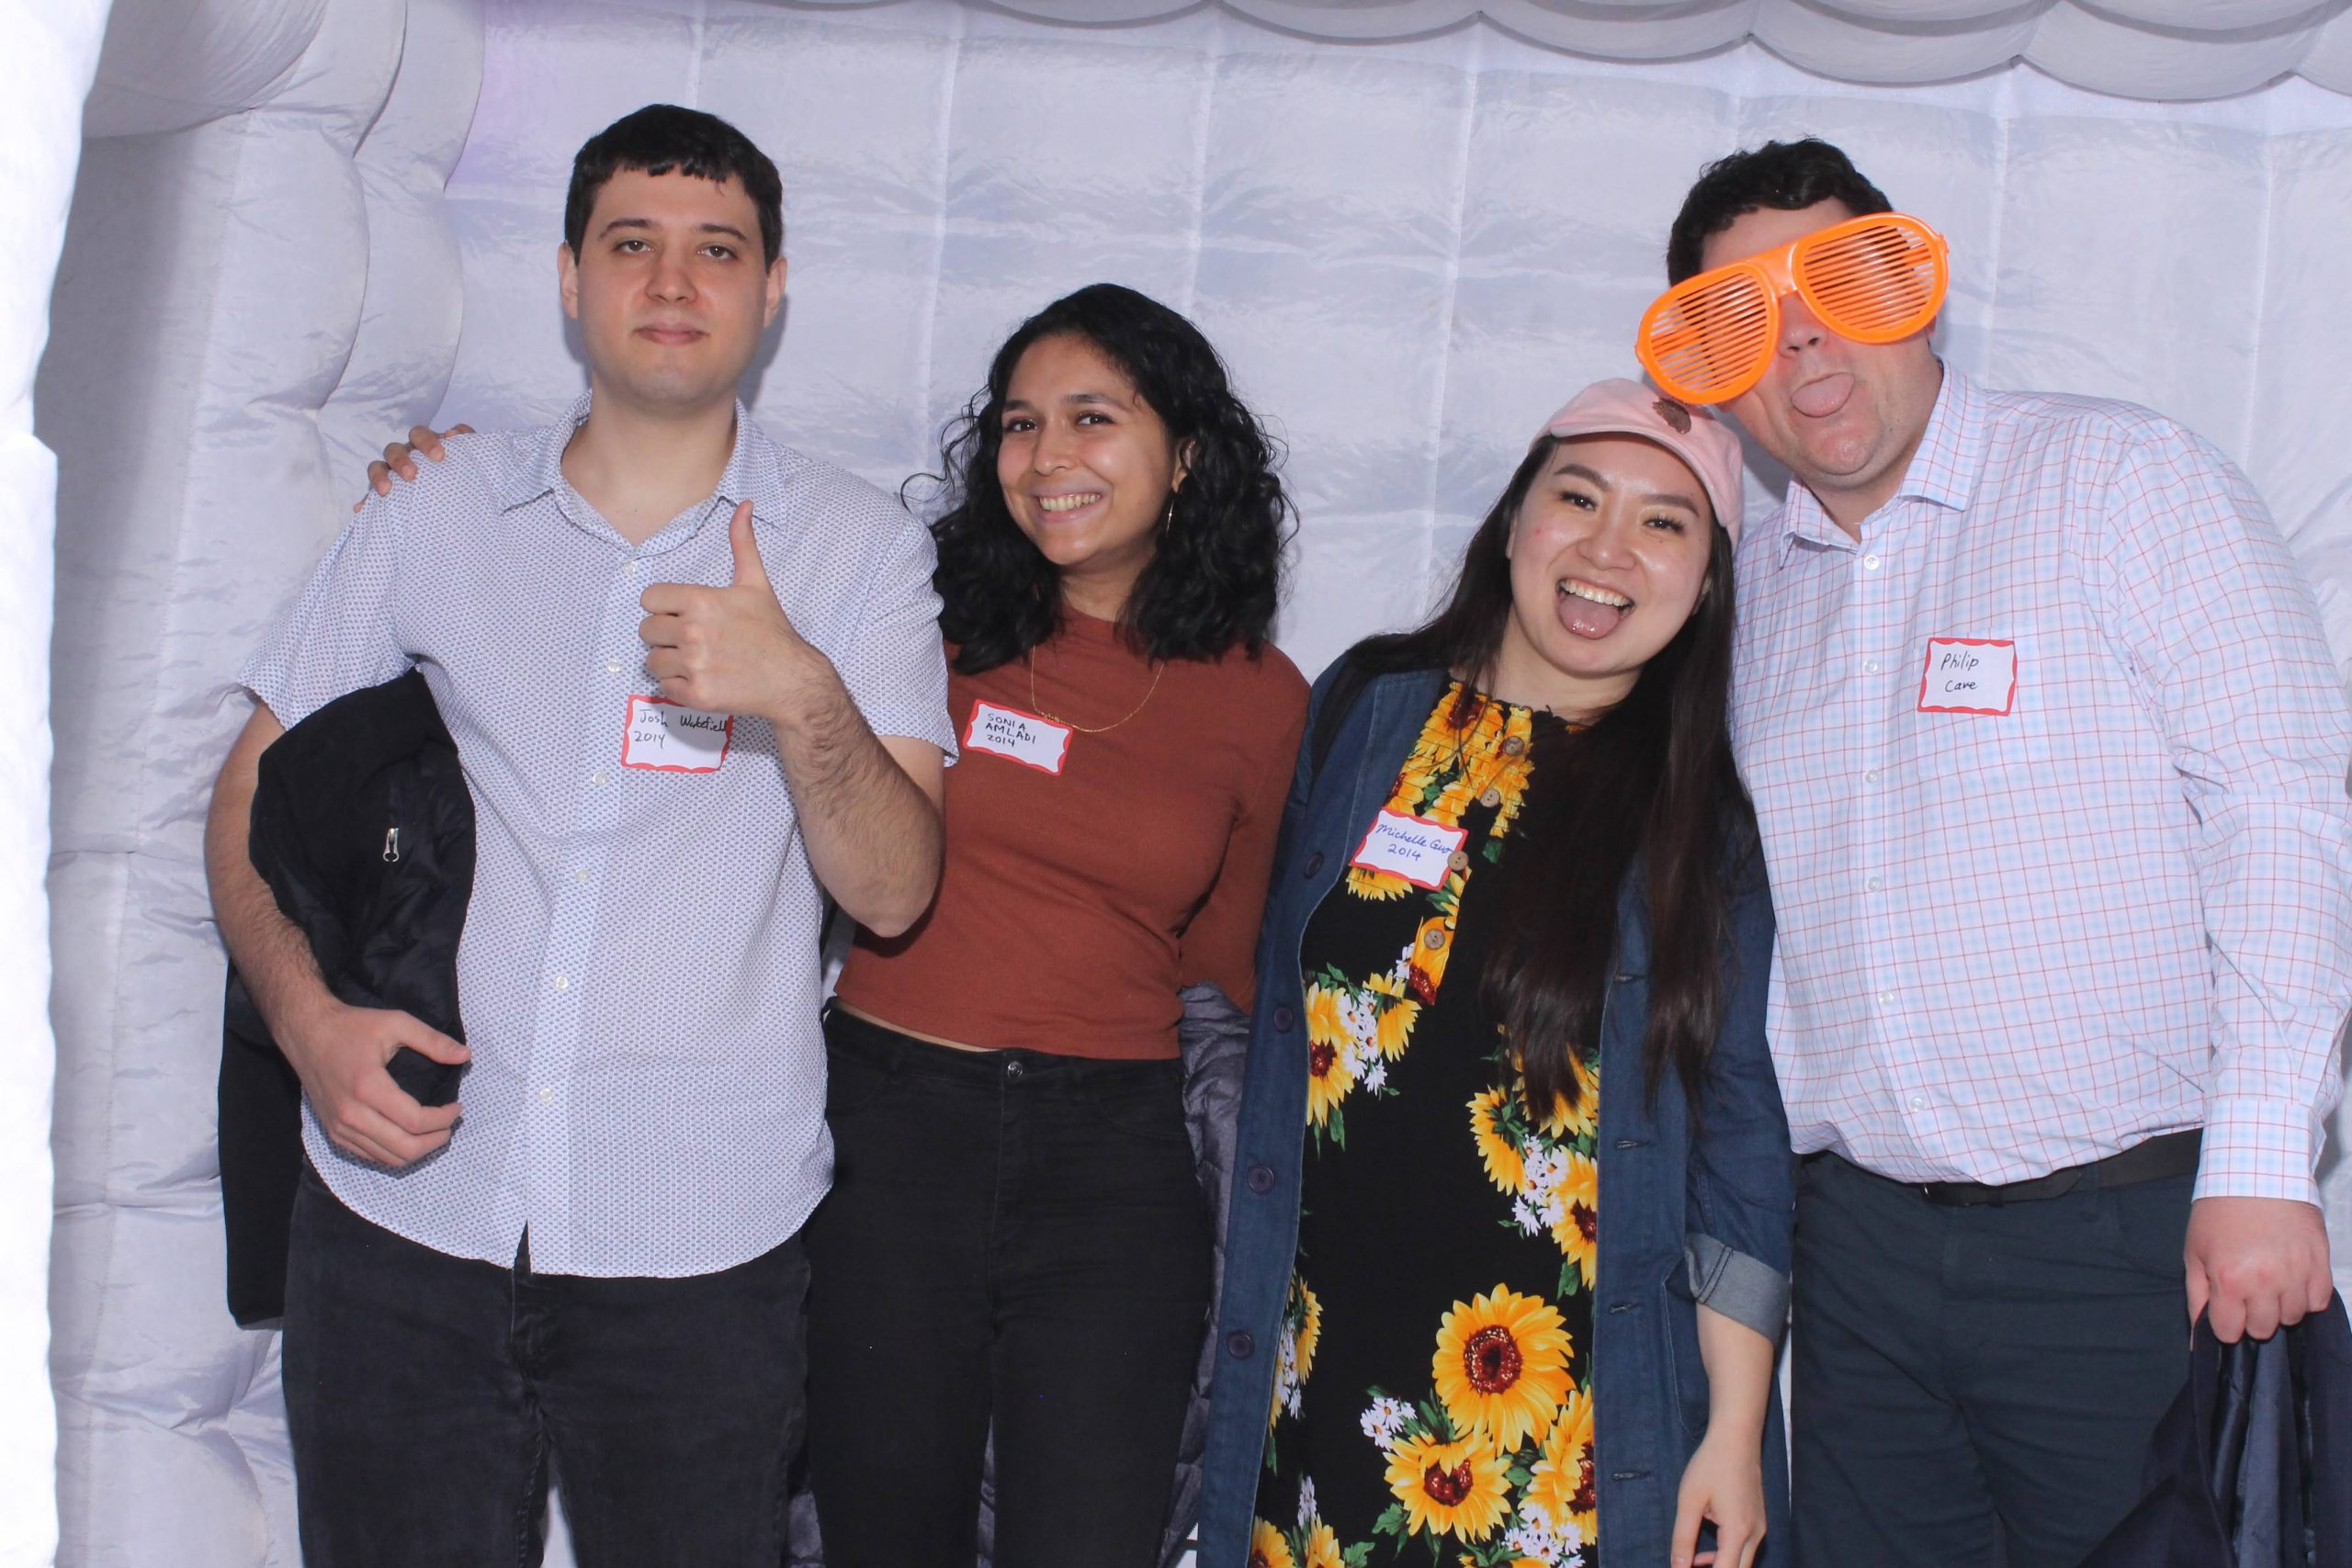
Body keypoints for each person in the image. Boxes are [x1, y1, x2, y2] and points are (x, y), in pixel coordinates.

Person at [204, 104, 956, 1567]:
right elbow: (246, 799)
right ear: (567, 278)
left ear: (772, 289)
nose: (672, 282)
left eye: (716, 250)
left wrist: (799, 690)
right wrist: (305, 1024)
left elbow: (896, 890)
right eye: (631, 244)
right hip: (405, 1213)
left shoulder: (859, 552)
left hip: (700, 1240)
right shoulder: (436, 510)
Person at [1647, 137, 2352, 1567]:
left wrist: (2266, 1161)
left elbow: (2280, 805)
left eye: (1835, 286)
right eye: (1744, 322)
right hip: (1859, 1269)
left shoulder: (2119, 477)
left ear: (1913, 292)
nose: (1803, 343)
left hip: (2123, 1243)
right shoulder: (1751, 597)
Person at [1197, 380, 1792, 1568]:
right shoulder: (1367, 711)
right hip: (1320, 1371)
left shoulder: (1701, 826)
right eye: (1578, 498)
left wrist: (1732, 1433)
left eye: (1664, 522)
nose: (1607, 549)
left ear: (1707, 581)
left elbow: (1738, 1148)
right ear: (1515, 519)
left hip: (1555, 1426)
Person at [810, 283, 1305, 1565]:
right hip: (888, 1132)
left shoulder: (1263, 698)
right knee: (877, 1538)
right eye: (1020, 424)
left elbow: (1229, 964)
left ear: (1184, 456)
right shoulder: (914, 623)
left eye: (1093, 417)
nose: (1047, 457)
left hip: (1113, 1162)